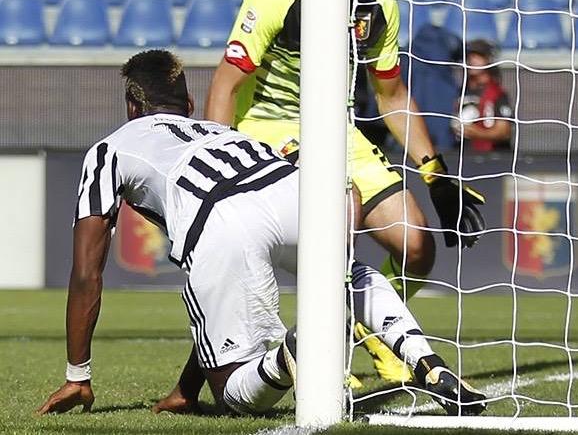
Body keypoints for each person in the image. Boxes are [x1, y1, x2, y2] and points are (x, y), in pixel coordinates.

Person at [35, 49, 486, 417]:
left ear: (132, 108)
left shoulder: (109, 148)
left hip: (220, 218)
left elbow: (86, 273)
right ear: (189, 106)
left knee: (232, 392)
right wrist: (184, 390)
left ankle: (292, 351)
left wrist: (79, 375)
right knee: (355, 276)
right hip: (295, 187)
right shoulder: (218, 131)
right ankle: (428, 361)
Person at [202, 0, 486, 384]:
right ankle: (319, 354)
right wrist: (219, 162)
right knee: (342, 210)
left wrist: (435, 172)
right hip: (266, 127)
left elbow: (392, 97)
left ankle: (370, 328)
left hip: (338, 128)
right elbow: (227, 84)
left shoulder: (381, 4)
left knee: (417, 246)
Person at [454, 39, 514, 153]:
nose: (472, 60)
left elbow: (504, 131)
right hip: (462, 155)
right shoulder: (460, 92)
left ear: (489, 60)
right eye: (470, 57)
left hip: (492, 157)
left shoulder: (497, 94)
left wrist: (476, 133)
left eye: (478, 56)